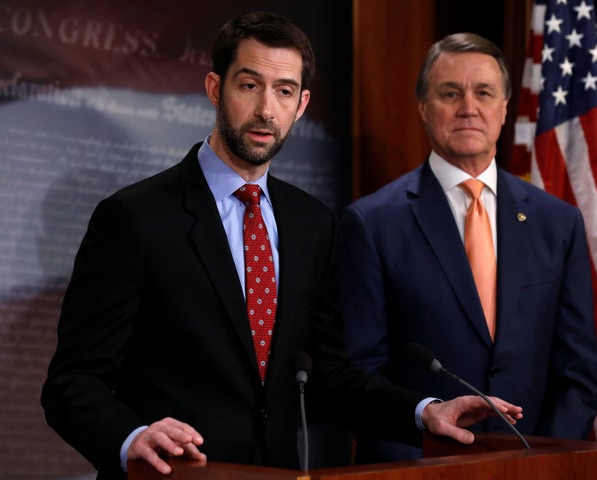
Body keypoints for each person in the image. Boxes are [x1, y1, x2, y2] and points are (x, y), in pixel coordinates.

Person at [41, 15, 524, 480]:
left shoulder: (312, 224)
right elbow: (73, 383)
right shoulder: (135, 217)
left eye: (284, 91)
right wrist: (132, 438)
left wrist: (424, 412)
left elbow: (329, 375)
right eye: (249, 86)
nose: (266, 110)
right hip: (170, 478)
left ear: (302, 104)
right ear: (215, 89)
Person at [337, 32, 597, 464]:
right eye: (450, 93)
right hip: (417, 468)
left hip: (534, 469)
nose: (468, 108)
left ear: (504, 109)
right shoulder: (371, 223)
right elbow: (358, 375)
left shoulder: (559, 223)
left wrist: (545, 463)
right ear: (423, 107)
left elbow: (577, 374)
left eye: (483, 93)